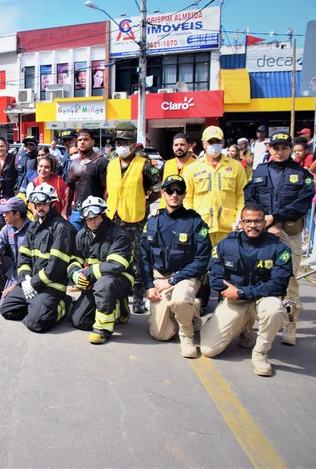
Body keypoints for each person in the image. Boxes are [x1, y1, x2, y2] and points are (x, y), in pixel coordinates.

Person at [200, 204, 292, 376]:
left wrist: (243, 292)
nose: (252, 225)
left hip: (262, 299)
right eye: (248, 221)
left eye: (258, 221)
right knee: (208, 349)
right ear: (241, 223)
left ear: (264, 223)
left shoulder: (280, 249)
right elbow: (215, 278)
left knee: (275, 309)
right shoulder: (225, 245)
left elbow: (278, 284)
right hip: (236, 301)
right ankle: (244, 327)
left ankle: (260, 353)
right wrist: (234, 293)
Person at [244, 131, 314, 346]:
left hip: (289, 233)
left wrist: (276, 218)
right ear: (269, 149)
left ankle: (290, 324)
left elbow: (303, 202)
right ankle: (250, 327)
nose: (280, 151)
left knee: (290, 280)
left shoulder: (302, 174)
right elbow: (250, 198)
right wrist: (266, 222)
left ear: (291, 149)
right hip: (263, 232)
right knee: (256, 276)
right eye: (276, 147)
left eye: (284, 147)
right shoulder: (259, 172)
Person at [140, 176, 212, 357]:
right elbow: (144, 256)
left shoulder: (195, 222)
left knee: (180, 298)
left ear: (184, 194)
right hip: (159, 277)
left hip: (185, 276)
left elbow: (203, 260)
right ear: (163, 193)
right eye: (170, 191)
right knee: (160, 334)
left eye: (179, 191)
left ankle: (187, 333)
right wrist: (148, 286)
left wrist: (172, 280)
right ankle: (191, 309)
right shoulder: (152, 222)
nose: (174, 195)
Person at [183, 125, 247, 312]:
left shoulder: (235, 167)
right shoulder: (193, 168)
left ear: (223, 142)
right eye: (210, 142)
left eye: (217, 142)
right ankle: (201, 301)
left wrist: (240, 217)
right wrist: (191, 221)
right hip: (202, 227)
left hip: (229, 228)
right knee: (202, 265)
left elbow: (242, 196)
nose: (214, 145)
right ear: (203, 144)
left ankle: (224, 302)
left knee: (227, 266)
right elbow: (187, 198)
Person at [0, 183, 77, 333]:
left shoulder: (62, 228)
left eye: (44, 204)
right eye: (37, 204)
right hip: (31, 283)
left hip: (51, 286)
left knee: (36, 324)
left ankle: (63, 303)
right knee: (7, 309)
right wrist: (24, 280)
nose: (40, 207)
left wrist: (34, 283)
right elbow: (24, 256)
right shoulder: (34, 226)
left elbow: (56, 266)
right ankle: (38, 307)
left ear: (51, 203)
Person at [105, 124, 161, 314]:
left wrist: (143, 202)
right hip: (113, 218)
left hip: (135, 219)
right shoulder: (111, 164)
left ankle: (138, 297)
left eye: (126, 142)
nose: (122, 146)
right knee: (115, 257)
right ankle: (120, 295)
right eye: (119, 142)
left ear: (133, 145)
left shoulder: (144, 164)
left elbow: (157, 190)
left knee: (137, 259)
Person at [67, 196, 133, 344]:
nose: (92, 221)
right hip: (95, 280)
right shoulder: (82, 235)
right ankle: (116, 305)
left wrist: (88, 275)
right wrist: (76, 275)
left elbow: (117, 264)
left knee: (104, 285)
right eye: (88, 218)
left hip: (120, 279)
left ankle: (103, 330)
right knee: (79, 321)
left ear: (103, 215)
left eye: (95, 217)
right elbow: (74, 259)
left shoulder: (118, 234)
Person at [0, 196, 31, 308]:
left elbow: (34, 264)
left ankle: (11, 294)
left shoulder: (32, 230)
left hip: (27, 273)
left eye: (6, 212)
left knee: (6, 307)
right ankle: (4, 291)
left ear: (17, 214)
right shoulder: (8, 227)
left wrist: (17, 283)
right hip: (13, 268)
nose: (3, 214)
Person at [67, 130, 108, 231]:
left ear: (93, 142)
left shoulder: (101, 162)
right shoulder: (74, 163)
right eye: (80, 140)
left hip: (94, 211)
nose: (82, 142)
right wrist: (66, 211)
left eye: (86, 139)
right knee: (76, 242)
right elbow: (70, 189)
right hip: (76, 211)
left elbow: (107, 190)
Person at [158, 133, 194, 210]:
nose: (179, 147)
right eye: (176, 145)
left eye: (182, 145)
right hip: (166, 211)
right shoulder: (167, 165)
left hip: (188, 212)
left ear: (189, 146)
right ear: (173, 147)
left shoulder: (197, 165)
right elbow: (156, 187)